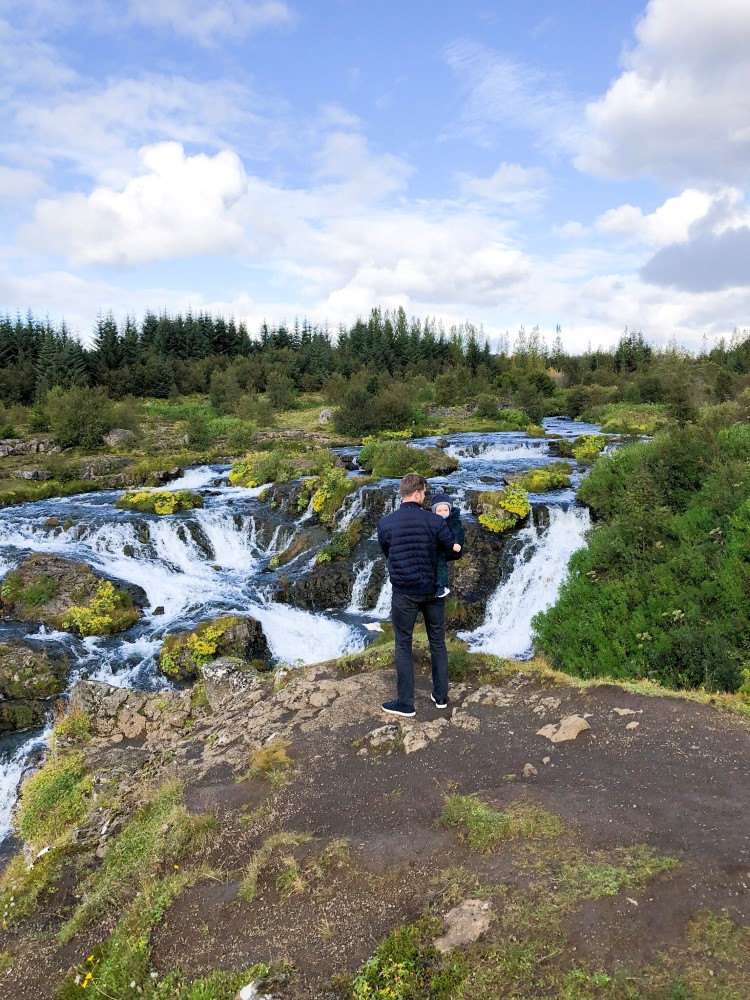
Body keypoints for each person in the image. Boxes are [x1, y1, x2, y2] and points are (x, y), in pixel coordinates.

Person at [376, 473, 462, 717]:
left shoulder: (386, 523)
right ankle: (441, 696)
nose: (425, 497)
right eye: (424, 493)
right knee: (437, 642)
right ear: (417, 493)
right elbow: (453, 552)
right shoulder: (434, 522)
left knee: (403, 644)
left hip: (404, 593)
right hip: (433, 591)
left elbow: (387, 552)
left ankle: (405, 703)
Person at [430, 491, 464, 598]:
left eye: (445, 510)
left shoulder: (452, 520)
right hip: (438, 547)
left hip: (452, 549)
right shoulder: (432, 520)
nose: (443, 513)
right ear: (434, 511)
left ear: (450, 510)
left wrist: (457, 543)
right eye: (439, 510)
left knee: (440, 558)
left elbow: (458, 531)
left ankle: (442, 585)